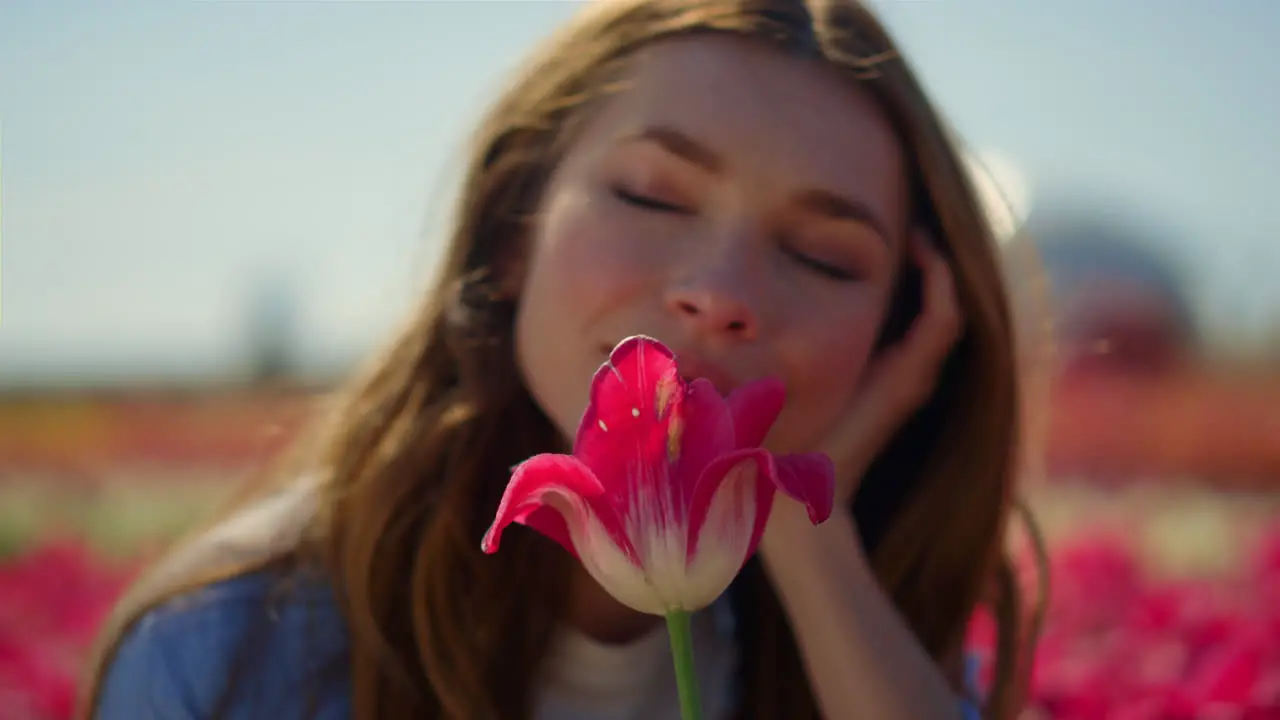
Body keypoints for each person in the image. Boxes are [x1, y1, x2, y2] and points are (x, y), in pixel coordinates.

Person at [82, 0, 1046, 718]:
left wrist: (805, 531)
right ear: (512, 235)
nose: (723, 293)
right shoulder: (225, 656)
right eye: (652, 197)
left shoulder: (874, 656)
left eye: (823, 256)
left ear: (898, 332)